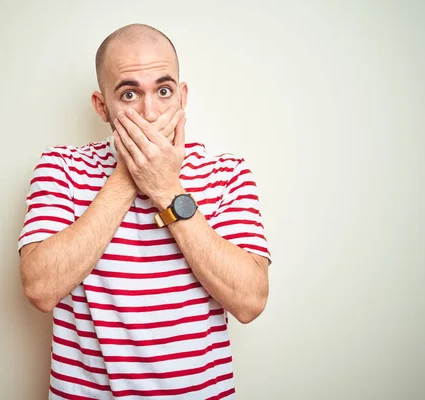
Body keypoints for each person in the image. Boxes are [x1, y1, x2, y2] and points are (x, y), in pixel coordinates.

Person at [18, 23, 271, 400]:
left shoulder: (227, 173)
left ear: (182, 97)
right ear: (102, 106)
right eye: (129, 94)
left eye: (164, 91)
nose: (150, 112)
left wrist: (167, 189)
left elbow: (250, 301)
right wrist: (127, 177)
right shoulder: (62, 168)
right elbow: (40, 289)